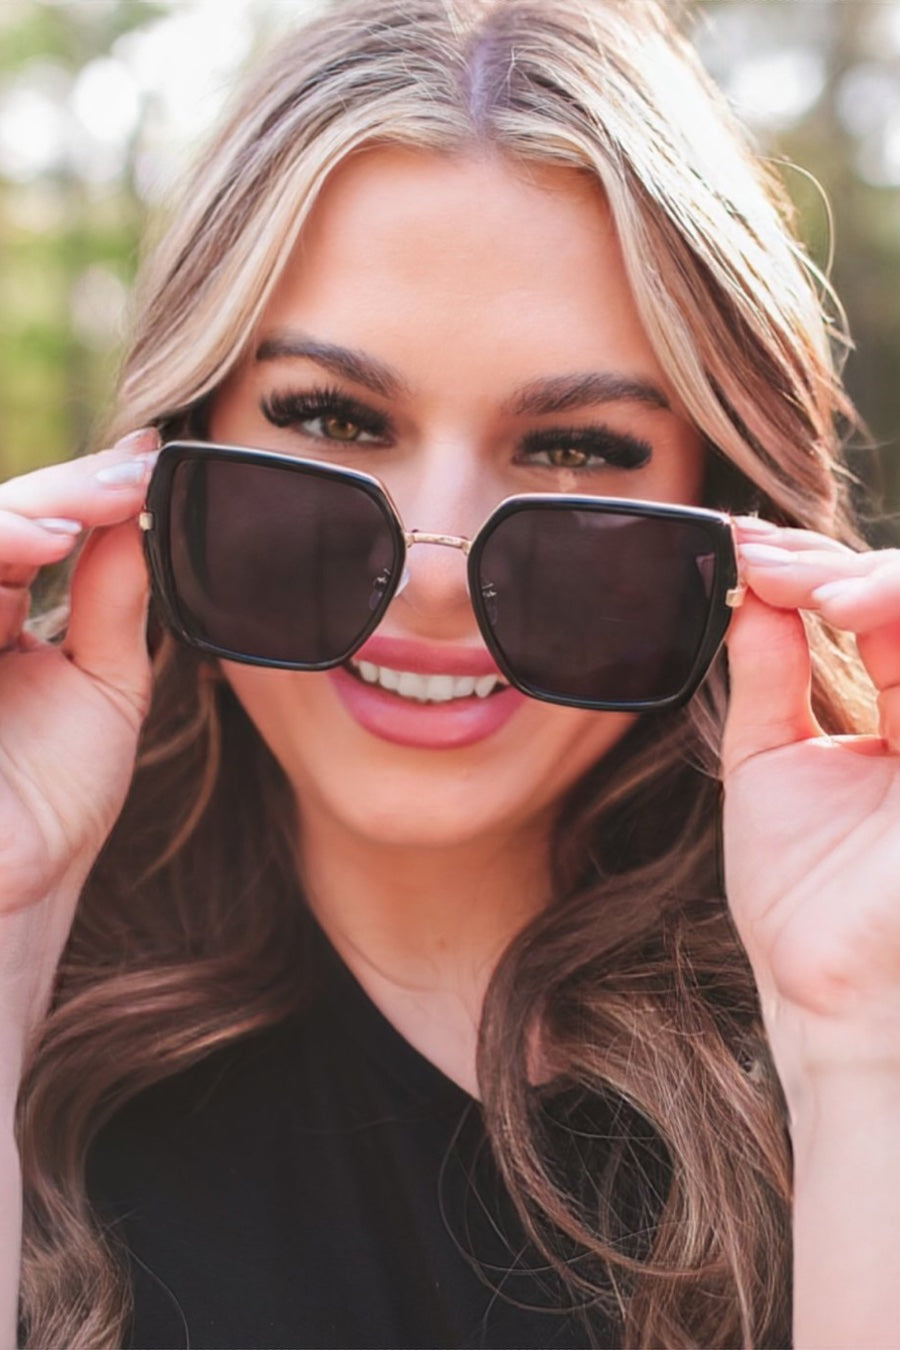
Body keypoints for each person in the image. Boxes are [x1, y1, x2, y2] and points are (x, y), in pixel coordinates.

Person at [3, 0, 900, 1345]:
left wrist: (863, 1050)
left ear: (724, 510)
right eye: (331, 418)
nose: (433, 571)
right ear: (172, 450)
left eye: (578, 448)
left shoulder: (856, 995)